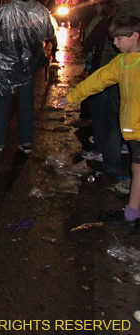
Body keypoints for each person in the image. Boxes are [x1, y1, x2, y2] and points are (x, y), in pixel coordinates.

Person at [58, 16, 140, 229]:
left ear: (135, 36)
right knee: (137, 171)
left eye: (120, 38)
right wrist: (73, 96)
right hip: (133, 130)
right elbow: (99, 79)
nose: (115, 43)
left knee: (138, 171)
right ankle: (132, 214)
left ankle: (132, 216)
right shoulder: (123, 62)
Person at [0, 0, 55, 154]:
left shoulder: (4, 10)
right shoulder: (39, 9)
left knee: (1, 101)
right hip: (28, 64)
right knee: (25, 103)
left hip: (5, 63)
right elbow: (48, 32)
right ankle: (26, 142)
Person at [87, 0, 140, 175]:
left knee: (116, 117)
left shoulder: (127, 10)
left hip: (121, 74)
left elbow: (111, 45)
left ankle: (112, 164)